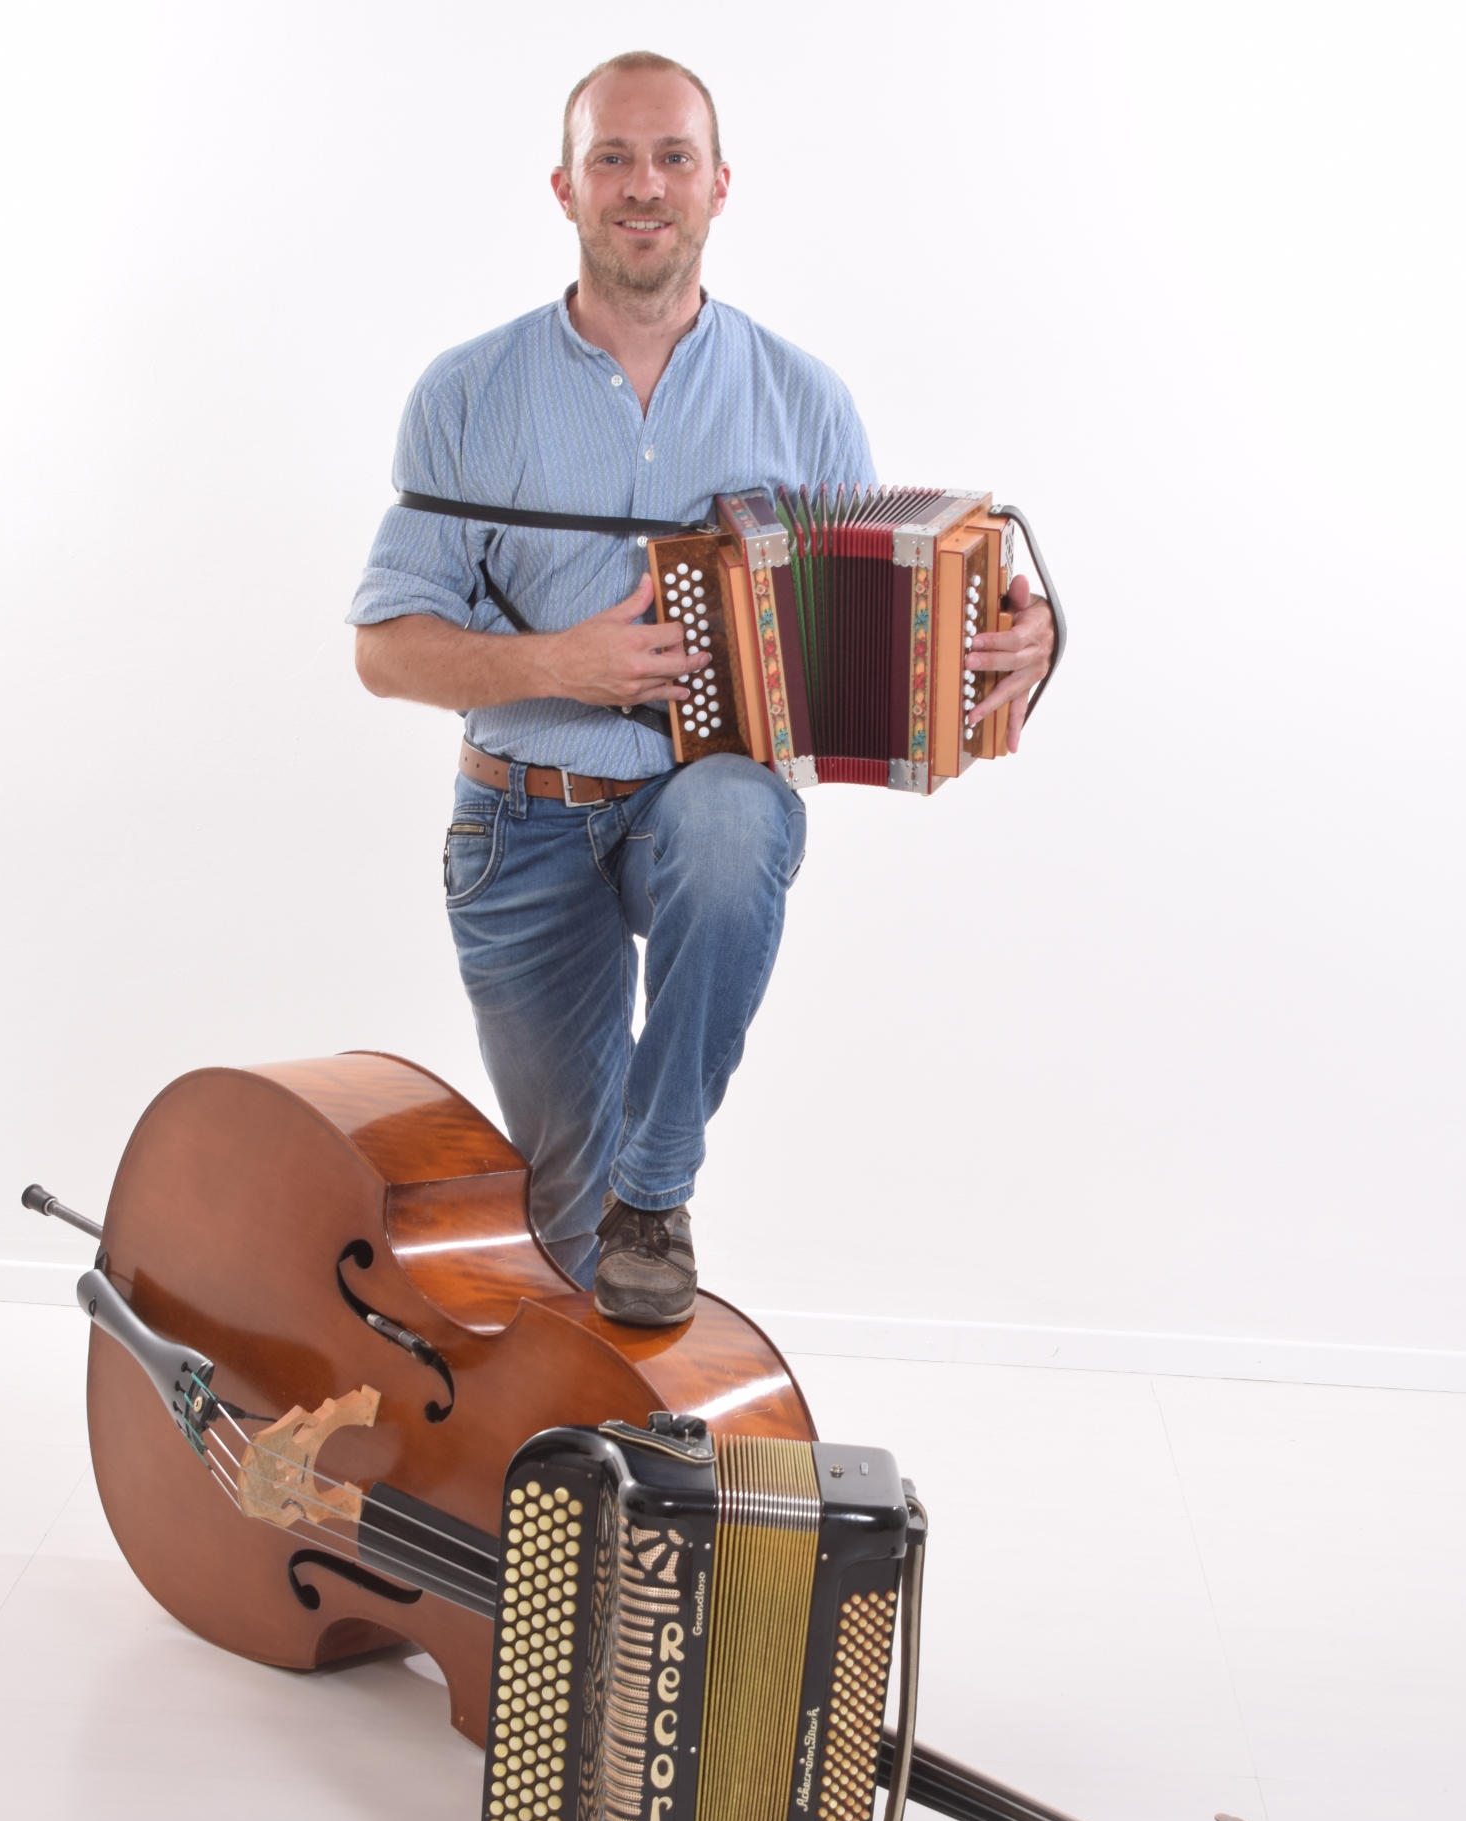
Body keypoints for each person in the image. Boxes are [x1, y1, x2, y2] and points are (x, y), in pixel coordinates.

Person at [351, 51, 1056, 1327]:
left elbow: (882, 646)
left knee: (735, 813)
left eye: (672, 157)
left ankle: (657, 1188)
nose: (643, 186)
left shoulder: (803, 400)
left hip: (694, 808)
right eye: (612, 158)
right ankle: (604, 1403)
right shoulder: (465, 394)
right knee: (564, 1217)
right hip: (519, 823)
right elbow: (385, 650)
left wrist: (1013, 645)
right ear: (564, 186)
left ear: (718, 185)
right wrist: (557, 662)